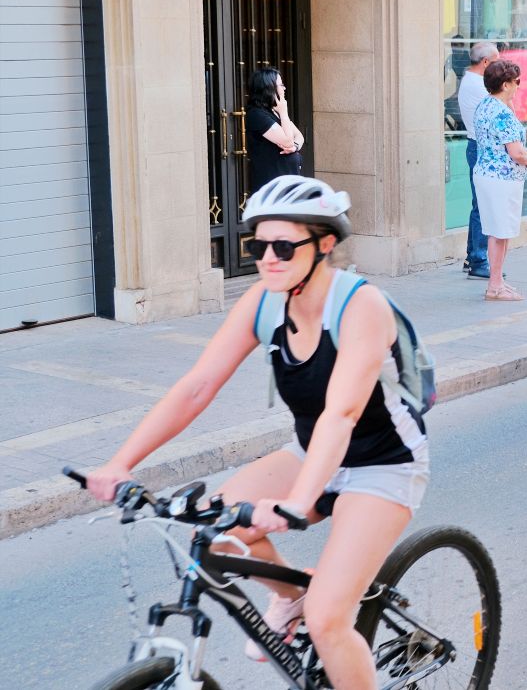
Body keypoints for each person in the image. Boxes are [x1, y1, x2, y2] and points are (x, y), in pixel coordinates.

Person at [82, 176, 430, 688]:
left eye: (283, 246)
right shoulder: (265, 301)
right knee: (219, 537)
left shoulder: (361, 306)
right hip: (311, 452)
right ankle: (292, 598)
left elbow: (342, 413)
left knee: (330, 621)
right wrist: (120, 464)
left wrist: (296, 504)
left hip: (383, 464)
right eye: (258, 244)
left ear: (325, 244)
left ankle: (317, 614)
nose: (267, 257)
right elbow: (198, 386)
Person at [473, 59, 527, 302]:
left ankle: (497, 281)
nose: (518, 86)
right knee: (500, 233)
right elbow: (516, 153)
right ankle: (495, 286)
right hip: (502, 179)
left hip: (487, 175)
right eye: (516, 82)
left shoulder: (485, 105)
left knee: (498, 231)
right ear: (505, 84)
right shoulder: (502, 113)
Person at [457, 42, 501, 280]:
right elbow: (500, 108)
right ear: (485, 63)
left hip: (476, 147)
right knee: (483, 205)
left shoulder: (470, 81)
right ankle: (478, 259)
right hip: (480, 148)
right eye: (497, 61)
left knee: (479, 204)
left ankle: (472, 256)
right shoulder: (477, 85)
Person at [246, 67, 304, 194]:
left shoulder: (274, 111)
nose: (284, 89)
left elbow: (299, 136)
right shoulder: (257, 115)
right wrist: (284, 112)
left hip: (287, 184)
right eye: (281, 85)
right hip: (272, 188)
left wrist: (295, 147)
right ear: (268, 87)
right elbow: (287, 141)